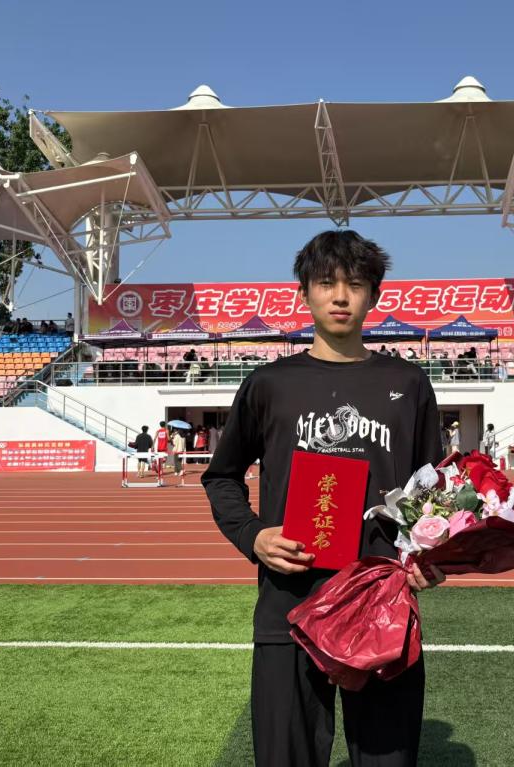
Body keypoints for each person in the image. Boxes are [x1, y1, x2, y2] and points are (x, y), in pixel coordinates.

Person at [202, 229, 444, 767]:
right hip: (289, 603)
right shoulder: (270, 384)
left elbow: (433, 492)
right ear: (304, 293)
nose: (340, 297)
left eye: (355, 285)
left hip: (380, 605)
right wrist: (253, 536)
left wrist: (433, 554)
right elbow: (222, 476)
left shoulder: (408, 383)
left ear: (374, 295)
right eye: (326, 283)